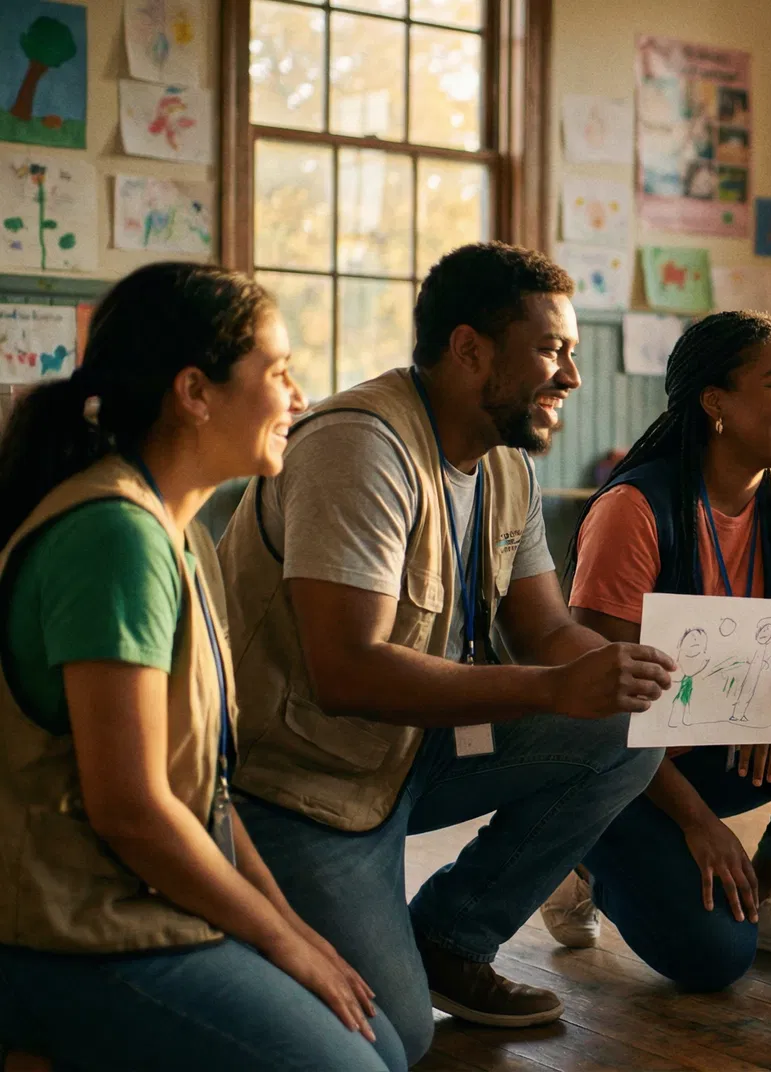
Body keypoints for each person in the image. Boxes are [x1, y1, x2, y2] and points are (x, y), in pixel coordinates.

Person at [217, 243, 676, 1066]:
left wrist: (623, 673)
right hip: (301, 783)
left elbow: (548, 634)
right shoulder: (358, 446)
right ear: (470, 350)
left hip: (416, 752)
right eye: (551, 350)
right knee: (397, 1037)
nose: (571, 375)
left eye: (573, 352)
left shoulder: (506, 463)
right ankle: (242, 928)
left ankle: (450, 940)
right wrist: (550, 687)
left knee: (622, 732)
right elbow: (346, 671)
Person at [0, 264, 404, 1071]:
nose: (300, 398)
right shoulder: (113, 535)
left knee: (388, 1045)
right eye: (281, 373)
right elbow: (133, 810)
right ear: (195, 391)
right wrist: (277, 944)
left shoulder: (178, 532)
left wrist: (292, 931)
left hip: (145, 899)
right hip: (72, 930)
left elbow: (204, 797)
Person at [537, 311, 771, 989]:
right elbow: (599, 705)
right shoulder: (634, 509)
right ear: (716, 402)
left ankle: (761, 893)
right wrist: (700, 824)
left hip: (729, 737)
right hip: (627, 773)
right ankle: (580, 862)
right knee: (712, 961)